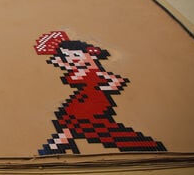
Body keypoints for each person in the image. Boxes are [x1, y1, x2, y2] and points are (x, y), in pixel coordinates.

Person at [34, 31, 166, 155]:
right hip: (83, 100)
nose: (72, 60)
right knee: (80, 124)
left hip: (95, 101)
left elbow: (114, 81)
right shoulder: (81, 72)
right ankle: (59, 143)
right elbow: (73, 78)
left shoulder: (94, 72)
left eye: (75, 55)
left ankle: (146, 145)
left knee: (102, 130)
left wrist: (106, 85)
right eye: (68, 57)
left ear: (89, 54)